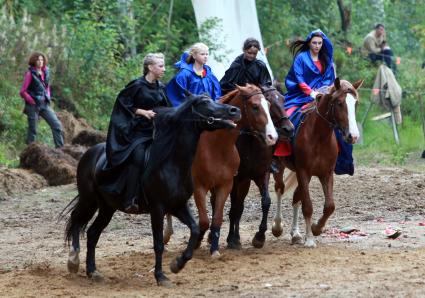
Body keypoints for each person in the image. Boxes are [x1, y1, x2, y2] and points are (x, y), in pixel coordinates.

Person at [275, 29, 354, 175]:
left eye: (319, 43)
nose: (317, 45)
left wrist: (324, 93)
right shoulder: (301, 58)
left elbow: (331, 81)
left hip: (323, 96)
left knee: (339, 121)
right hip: (300, 96)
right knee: (286, 117)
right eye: (314, 43)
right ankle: (278, 154)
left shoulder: (327, 61)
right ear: (309, 43)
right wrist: (311, 92)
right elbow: (299, 79)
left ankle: (344, 161)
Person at [102, 53, 171, 212]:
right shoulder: (136, 85)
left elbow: (167, 108)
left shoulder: (161, 87)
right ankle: (129, 199)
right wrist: (142, 112)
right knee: (138, 158)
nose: (164, 69)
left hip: (156, 131)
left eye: (164, 65)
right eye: (160, 66)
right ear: (150, 67)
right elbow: (122, 105)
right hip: (136, 131)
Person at [19, 52, 64, 148]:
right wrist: (31, 101)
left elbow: (46, 87)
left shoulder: (46, 72)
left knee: (57, 125)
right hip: (33, 105)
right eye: (38, 60)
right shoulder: (30, 74)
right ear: (34, 61)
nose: (40, 62)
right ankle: (28, 153)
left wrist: (47, 96)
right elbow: (23, 91)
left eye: (42, 60)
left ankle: (60, 151)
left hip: (44, 104)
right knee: (33, 130)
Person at [166, 42, 221, 106]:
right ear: (194, 56)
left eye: (207, 54)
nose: (205, 56)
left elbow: (217, 94)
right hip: (192, 112)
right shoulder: (184, 74)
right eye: (202, 54)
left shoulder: (209, 74)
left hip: (210, 110)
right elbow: (177, 96)